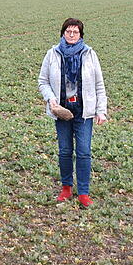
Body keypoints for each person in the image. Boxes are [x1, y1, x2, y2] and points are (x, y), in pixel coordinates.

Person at [38, 18, 108, 207]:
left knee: (84, 152)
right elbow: (43, 81)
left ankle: (83, 193)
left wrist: (101, 111)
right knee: (65, 151)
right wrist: (51, 98)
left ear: (80, 35)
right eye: (68, 31)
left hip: (84, 111)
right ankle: (66, 188)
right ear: (63, 33)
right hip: (61, 111)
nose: (71, 35)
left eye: (75, 32)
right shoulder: (52, 54)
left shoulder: (90, 54)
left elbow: (99, 85)